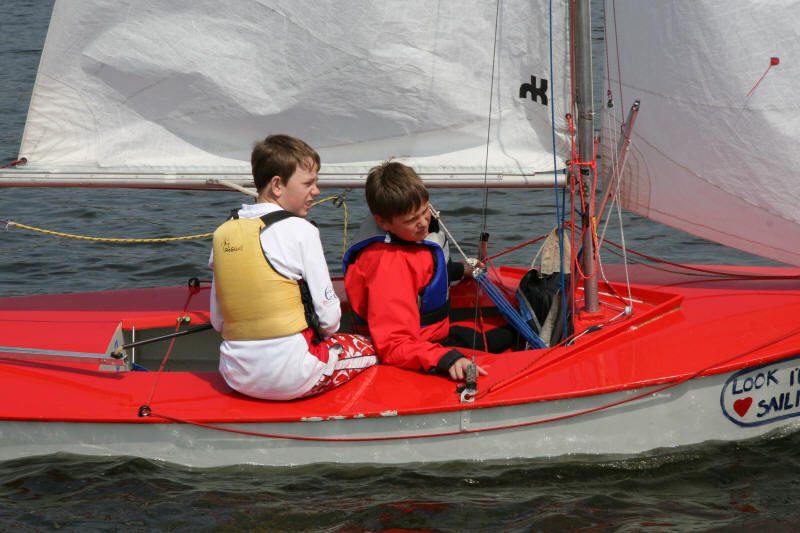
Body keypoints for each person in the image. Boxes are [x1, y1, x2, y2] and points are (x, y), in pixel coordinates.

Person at [209, 134, 377, 400]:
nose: (316, 191)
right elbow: (330, 321)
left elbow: (218, 321)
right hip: (294, 377)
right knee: (376, 348)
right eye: (308, 183)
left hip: (235, 376)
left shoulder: (223, 232)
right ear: (277, 185)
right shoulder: (301, 230)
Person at [342, 161, 514, 382]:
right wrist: (446, 359)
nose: (424, 223)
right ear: (383, 222)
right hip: (418, 352)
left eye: (425, 211)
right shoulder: (387, 265)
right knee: (514, 337)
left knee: (517, 327)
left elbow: (424, 274)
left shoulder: (404, 238)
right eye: (412, 220)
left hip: (432, 339)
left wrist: (461, 270)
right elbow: (393, 344)